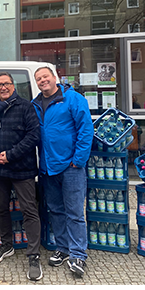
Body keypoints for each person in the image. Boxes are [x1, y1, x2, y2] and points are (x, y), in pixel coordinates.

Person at [32, 66, 94, 277]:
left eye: (45, 76)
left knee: (74, 212)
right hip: (48, 168)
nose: (42, 81)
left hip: (70, 167)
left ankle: (78, 254)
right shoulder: (35, 103)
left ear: (54, 77)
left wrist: (78, 160)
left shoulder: (73, 99)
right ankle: (63, 248)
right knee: (56, 210)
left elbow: (86, 129)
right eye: (39, 78)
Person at [0, 72, 42, 282]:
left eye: (7, 84)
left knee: (29, 210)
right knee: (0, 209)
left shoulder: (26, 107)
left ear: (13, 86)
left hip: (22, 169)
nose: (3, 87)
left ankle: (33, 255)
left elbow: (33, 136)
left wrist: (10, 155)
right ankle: (7, 245)